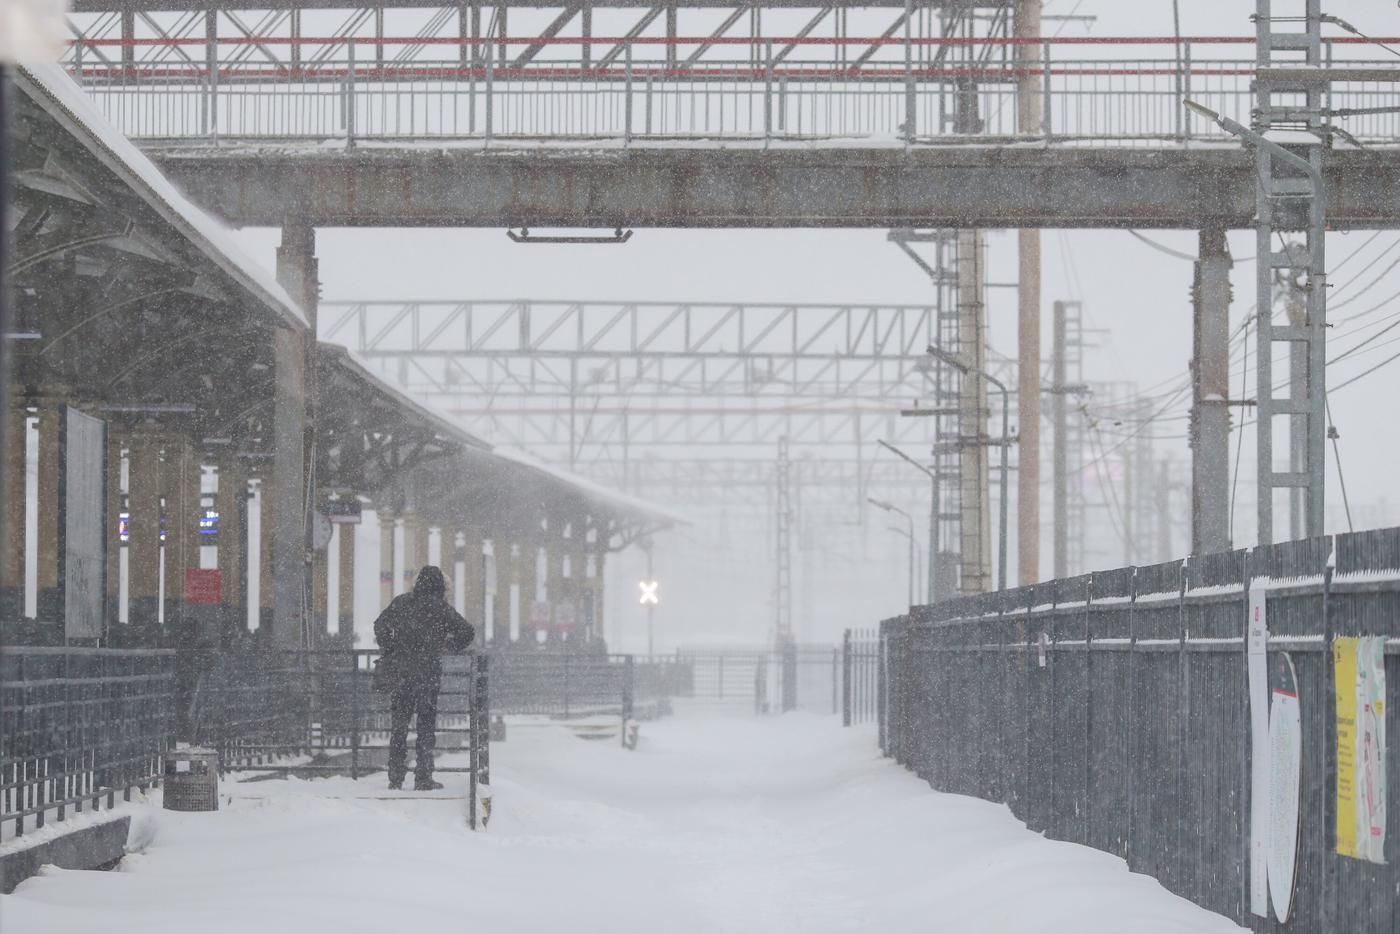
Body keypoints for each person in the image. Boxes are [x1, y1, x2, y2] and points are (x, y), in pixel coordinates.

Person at [373, 566, 474, 790]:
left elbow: (380, 625)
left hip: (401, 672)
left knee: (399, 725)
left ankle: (396, 776)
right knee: (426, 727)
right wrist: (449, 645)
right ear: (439, 585)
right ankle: (423, 777)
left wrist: (390, 648)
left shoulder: (401, 603)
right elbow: (467, 631)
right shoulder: (441, 609)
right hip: (427, 673)